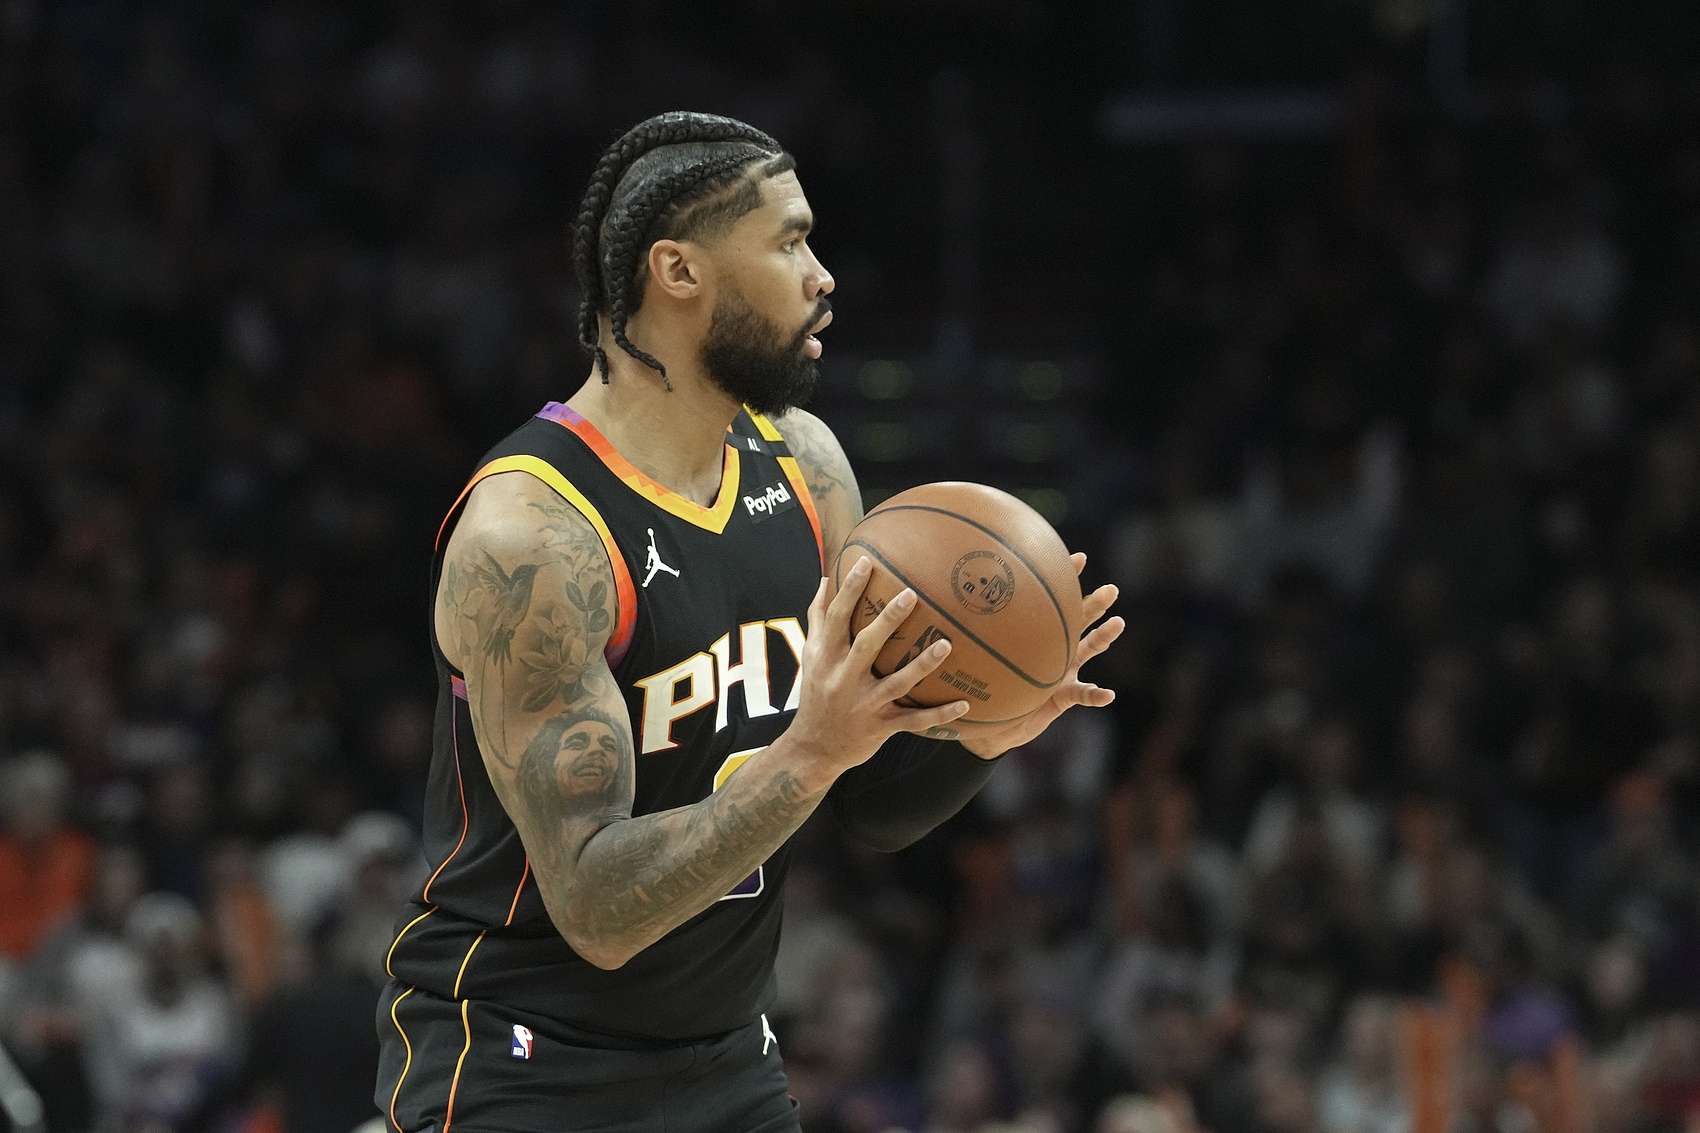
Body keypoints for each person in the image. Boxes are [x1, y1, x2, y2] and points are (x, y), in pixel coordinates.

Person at [374, 111, 1123, 1133]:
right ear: (678, 271)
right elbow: (594, 908)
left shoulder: (807, 469)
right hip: (520, 1059)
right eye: (789, 242)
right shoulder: (535, 535)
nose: (822, 276)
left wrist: (981, 733)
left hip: (726, 1057)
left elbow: (865, 806)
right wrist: (812, 750)